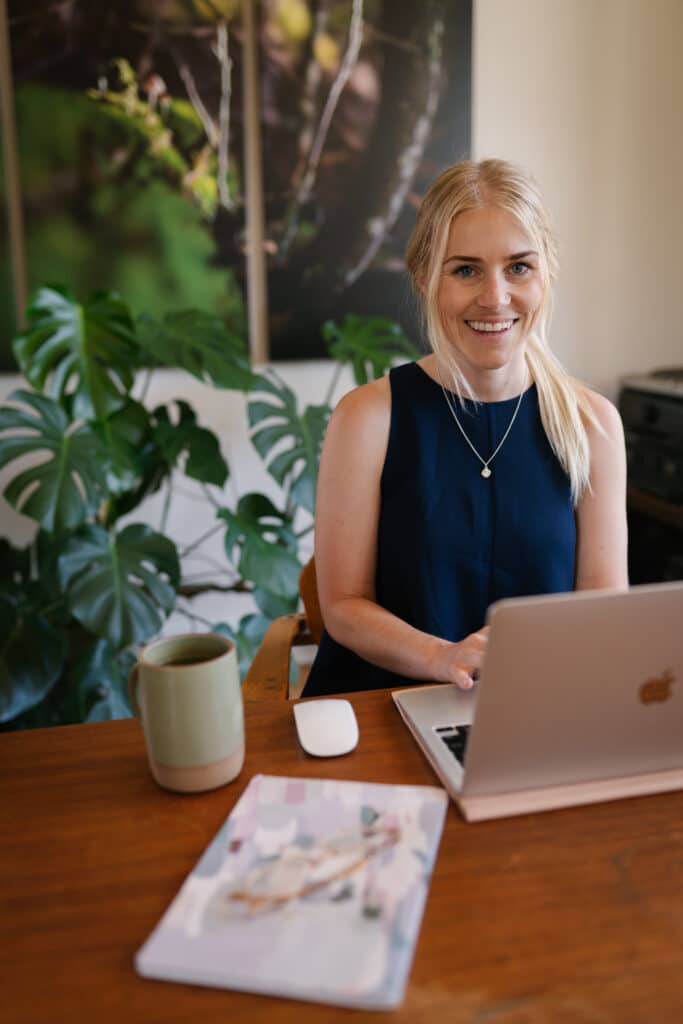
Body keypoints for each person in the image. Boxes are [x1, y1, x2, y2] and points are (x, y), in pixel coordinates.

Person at [301, 158, 628, 698]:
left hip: (536, 711)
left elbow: (602, 611)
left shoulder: (593, 425)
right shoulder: (367, 418)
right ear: (425, 278)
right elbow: (343, 607)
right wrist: (443, 657)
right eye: (466, 269)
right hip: (384, 709)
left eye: (518, 267)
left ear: (546, 273)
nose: (494, 297)